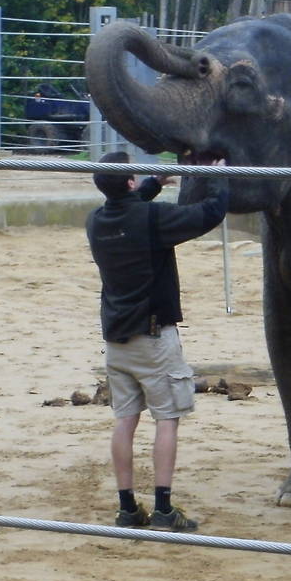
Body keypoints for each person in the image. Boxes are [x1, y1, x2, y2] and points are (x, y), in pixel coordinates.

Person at [86, 150, 229, 532]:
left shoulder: (96, 222)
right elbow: (209, 214)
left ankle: (127, 507)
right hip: (154, 339)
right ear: (130, 182)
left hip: (117, 342)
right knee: (167, 419)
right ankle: (164, 507)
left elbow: (128, 211)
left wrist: (153, 184)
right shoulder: (153, 219)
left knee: (125, 421)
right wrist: (220, 179)